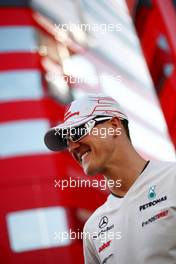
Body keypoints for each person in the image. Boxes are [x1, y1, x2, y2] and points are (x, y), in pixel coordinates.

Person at [44, 93, 176, 264]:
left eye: (77, 131)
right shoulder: (93, 228)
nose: (72, 146)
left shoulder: (172, 178)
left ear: (114, 125)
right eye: (67, 140)